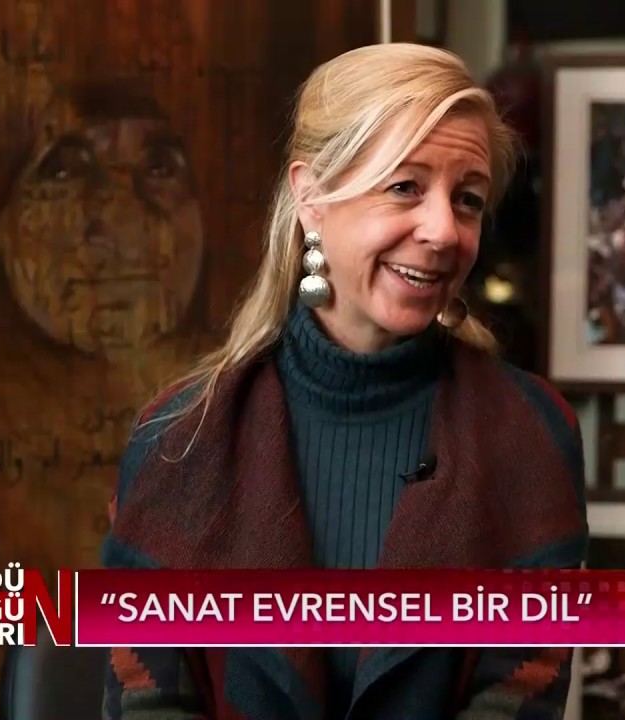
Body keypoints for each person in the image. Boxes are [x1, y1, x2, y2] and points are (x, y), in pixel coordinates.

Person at [100, 43, 588, 720]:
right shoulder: (176, 438)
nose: (444, 231)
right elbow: (147, 702)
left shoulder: (531, 435)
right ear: (311, 197)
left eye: (468, 200)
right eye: (405, 186)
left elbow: (518, 702)